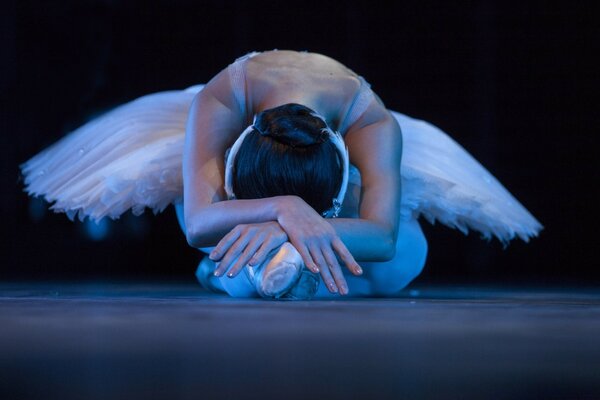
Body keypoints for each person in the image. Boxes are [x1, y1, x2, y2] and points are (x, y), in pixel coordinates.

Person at [21, 50, 542, 299]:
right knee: (215, 227)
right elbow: (200, 222)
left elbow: (381, 236)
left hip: (343, 153)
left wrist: (286, 223)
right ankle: (234, 270)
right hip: (233, 135)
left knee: (402, 263)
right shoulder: (224, 98)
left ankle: (267, 267)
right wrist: (285, 210)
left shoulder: (373, 123)